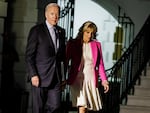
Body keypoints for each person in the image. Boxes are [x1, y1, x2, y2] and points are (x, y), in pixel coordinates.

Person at [25, 3, 66, 113]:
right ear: (46, 15)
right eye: (52, 14)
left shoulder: (61, 32)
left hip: (56, 78)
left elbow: (62, 58)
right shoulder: (36, 30)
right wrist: (33, 75)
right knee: (38, 109)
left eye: (57, 14)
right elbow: (29, 56)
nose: (55, 17)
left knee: (55, 106)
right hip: (39, 77)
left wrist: (63, 78)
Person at [65, 21, 109, 113]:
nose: (90, 35)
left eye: (92, 33)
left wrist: (104, 80)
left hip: (90, 79)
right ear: (83, 31)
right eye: (87, 32)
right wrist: (63, 78)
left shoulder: (97, 45)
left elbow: (100, 64)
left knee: (86, 107)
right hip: (77, 78)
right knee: (82, 105)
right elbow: (65, 61)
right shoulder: (73, 43)